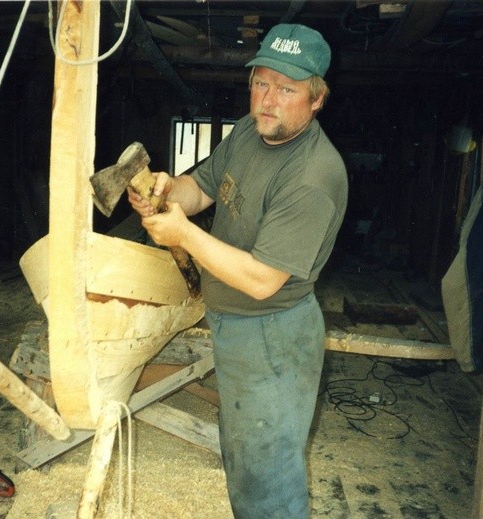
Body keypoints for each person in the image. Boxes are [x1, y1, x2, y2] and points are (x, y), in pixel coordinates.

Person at [128, 23, 348, 519]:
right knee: (244, 465)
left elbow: (263, 280)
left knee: (268, 482)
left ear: (317, 99)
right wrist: (166, 189)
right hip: (235, 324)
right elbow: (203, 188)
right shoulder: (251, 131)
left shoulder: (312, 175)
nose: (267, 100)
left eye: (287, 89)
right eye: (261, 83)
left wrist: (183, 235)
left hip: (273, 334)